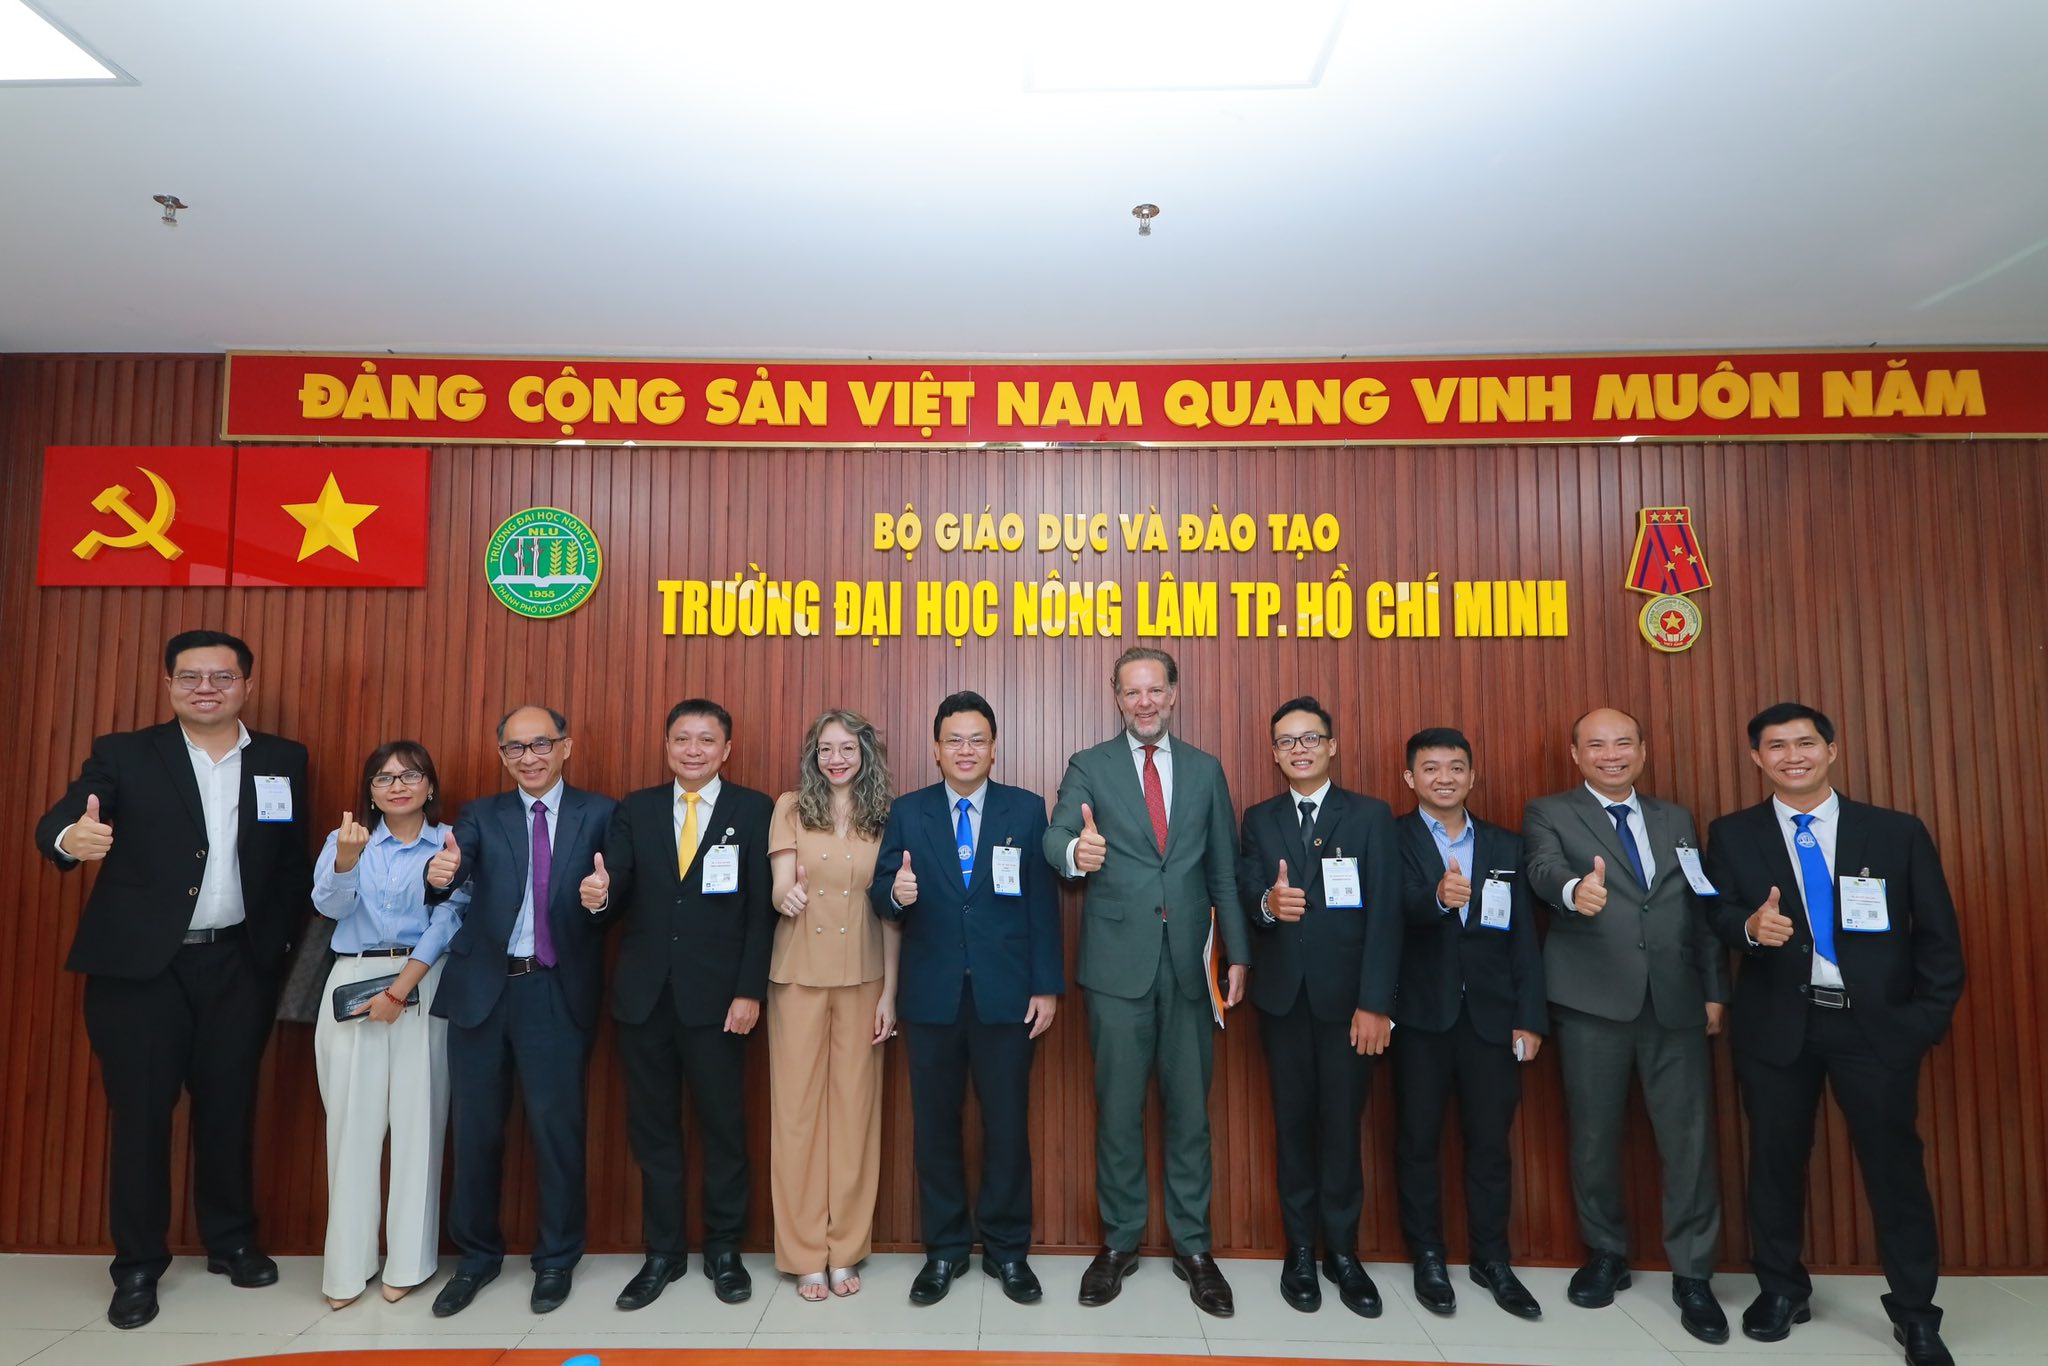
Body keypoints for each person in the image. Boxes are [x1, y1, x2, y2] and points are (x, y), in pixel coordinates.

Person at [34, 629, 310, 1330]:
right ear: (169, 685)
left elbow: (288, 859)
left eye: (221, 676)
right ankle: (137, 1266)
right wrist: (70, 840)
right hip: (141, 972)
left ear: (247, 685)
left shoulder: (282, 759)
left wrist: (274, 946)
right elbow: (67, 818)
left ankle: (231, 1240)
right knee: (142, 1116)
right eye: (190, 677)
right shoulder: (125, 754)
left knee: (229, 1107)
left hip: (239, 964)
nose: (205, 688)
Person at [1703, 703, 1964, 1366]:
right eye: (1776, 746)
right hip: (1777, 1025)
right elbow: (1717, 913)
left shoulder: (1895, 832)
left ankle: (1915, 1311)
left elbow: (1938, 934)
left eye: (1805, 743)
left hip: (1876, 1029)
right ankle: (1781, 1290)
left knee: (1894, 1168)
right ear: (1756, 758)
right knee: (1775, 1162)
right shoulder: (1732, 833)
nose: (1792, 756)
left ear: (1832, 750)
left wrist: (1924, 1021)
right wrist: (1747, 929)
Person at [1042, 646, 1249, 1317]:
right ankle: (1119, 1243)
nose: (1144, 702)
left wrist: (1238, 954)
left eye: (1154, 689)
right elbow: (1055, 836)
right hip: (1115, 969)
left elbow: (1223, 871)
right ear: (1117, 698)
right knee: (1118, 1111)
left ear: (1173, 694)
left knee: (1191, 1113)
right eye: (1132, 692)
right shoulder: (1089, 765)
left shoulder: (1206, 770)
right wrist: (1077, 851)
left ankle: (1195, 1248)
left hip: (1191, 966)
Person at [1522, 706, 1731, 1345]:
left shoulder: (1677, 817)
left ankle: (1693, 1273)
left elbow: (1698, 904)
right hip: (1592, 1001)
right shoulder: (1549, 812)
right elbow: (1541, 869)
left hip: (1676, 1002)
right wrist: (1572, 892)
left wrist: (1714, 989)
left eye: (1622, 744)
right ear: (1575, 754)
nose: (1610, 755)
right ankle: (1606, 1253)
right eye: (1596, 745)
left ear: (1642, 751)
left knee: (1690, 1142)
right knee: (1594, 1135)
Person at [580, 699, 774, 1310]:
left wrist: (749, 990)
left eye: (706, 740)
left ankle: (723, 1249)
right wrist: (598, 896)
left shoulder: (754, 809)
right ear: (666, 746)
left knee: (724, 1129)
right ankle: (662, 1253)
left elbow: (761, 914)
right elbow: (617, 891)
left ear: (726, 749)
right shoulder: (636, 808)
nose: (693, 750)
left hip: (719, 1002)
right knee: (654, 1130)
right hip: (644, 999)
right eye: (682, 739)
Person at [873, 692, 1063, 1307]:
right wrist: (896, 893)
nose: (965, 750)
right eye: (953, 739)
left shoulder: (1025, 809)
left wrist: (1046, 985)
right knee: (935, 1128)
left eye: (976, 739)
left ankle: (1008, 1251)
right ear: (936, 748)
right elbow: (881, 892)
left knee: (1006, 1127)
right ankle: (945, 1250)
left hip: (1007, 996)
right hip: (931, 996)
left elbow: (1042, 904)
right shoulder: (908, 811)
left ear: (994, 747)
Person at [424, 705, 614, 1318]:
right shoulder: (481, 814)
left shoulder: (601, 813)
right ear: (501, 753)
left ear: (566, 747)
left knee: (557, 1131)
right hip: (484, 990)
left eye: (540, 744)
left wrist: (600, 899)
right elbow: (454, 868)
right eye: (515, 747)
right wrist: (441, 872)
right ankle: (476, 1258)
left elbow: (618, 896)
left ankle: (556, 1259)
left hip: (554, 989)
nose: (528, 757)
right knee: (475, 1130)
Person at [1237, 697, 1401, 1318]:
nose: (1299, 749)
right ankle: (1300, 1251)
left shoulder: (1370, 815)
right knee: (1293, 1127)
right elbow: (1248, 888)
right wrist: (1267, 906)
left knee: (1341, 1127)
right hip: (1284, 1003)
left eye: (1310, 738)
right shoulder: (1260, 818)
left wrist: (1375, 1004)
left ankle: (1344, 1253)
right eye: (1287, 741)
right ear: (1274, 753)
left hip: (1349, 1006)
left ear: (1332, 746)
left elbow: (1386, 916)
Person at [1392, 727, 1545, 1321]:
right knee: (1417, 1141)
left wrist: (1529, 1017)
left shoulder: (1505, 844)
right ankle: (1428, 1255)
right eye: (1431, 768)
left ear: (1472, 776)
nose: (1444, 778)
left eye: (1456, 767)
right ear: (1411, 778)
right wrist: (1435, 898)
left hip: (1492, 1018)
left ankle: (1492, 1259)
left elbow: (1523, 939)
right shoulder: (1392, 837)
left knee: (1490, 1144)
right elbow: (1389, 913)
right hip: (1419, 1016)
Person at [312, 740, 466, 1308]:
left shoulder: (451, 842)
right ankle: (347, 1268)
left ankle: (409, 1262)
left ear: (430, 785)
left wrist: (401, 989)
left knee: (418, 1125)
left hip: (423, 980)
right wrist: (346, 863)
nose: (397, 786)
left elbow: (450, 918)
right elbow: (329, 909)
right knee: (350, 1128)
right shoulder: (345, 840)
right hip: (352, 981)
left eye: (410, 775)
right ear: (370, 792)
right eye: (383, 778)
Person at [765, 709, 899, 1301]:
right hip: (797, 974)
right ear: (813, 756)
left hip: (865, 977)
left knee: (854, 1116)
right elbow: (779, 884)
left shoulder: (885, 815)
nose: (836, 758)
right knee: (796, 1116)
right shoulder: (791, 807)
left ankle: (845, 1248)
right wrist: (786, 895)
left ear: (865, 753)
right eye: (825, 749)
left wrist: (891, 993)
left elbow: (892, 914)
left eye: (847, 748)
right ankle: (803, 1254)